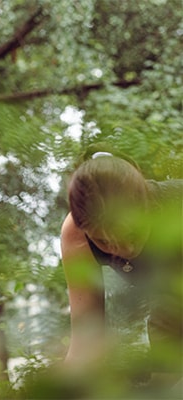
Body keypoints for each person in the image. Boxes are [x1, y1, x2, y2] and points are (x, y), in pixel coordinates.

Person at [60, 146, 182, 388]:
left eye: (131, 233)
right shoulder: (75, 234)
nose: (124, 249)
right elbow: (86, 344)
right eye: (103, 241)